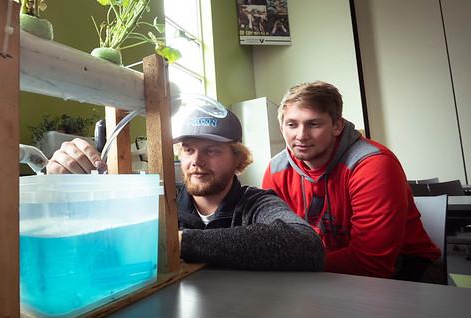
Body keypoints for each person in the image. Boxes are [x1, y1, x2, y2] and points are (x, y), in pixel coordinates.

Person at [48, 109, 324, 271]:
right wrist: (60, 186)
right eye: (188, 149)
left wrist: (176, 242)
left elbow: (306, 245)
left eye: (212, 150)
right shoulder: (160, 201)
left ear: (237, 159)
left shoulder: (255, 203)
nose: (196, 161)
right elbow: (98, 243)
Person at [262, 81, 442, 281]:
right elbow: (274, 241)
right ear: (281, 127)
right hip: (323, 271)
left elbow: (372, 264)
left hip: (406, 270)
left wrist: (293, 267)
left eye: (314, 124)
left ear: (337, 126)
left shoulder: (373, 165)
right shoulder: (276, 170)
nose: (301, 135)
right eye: (292, 124)